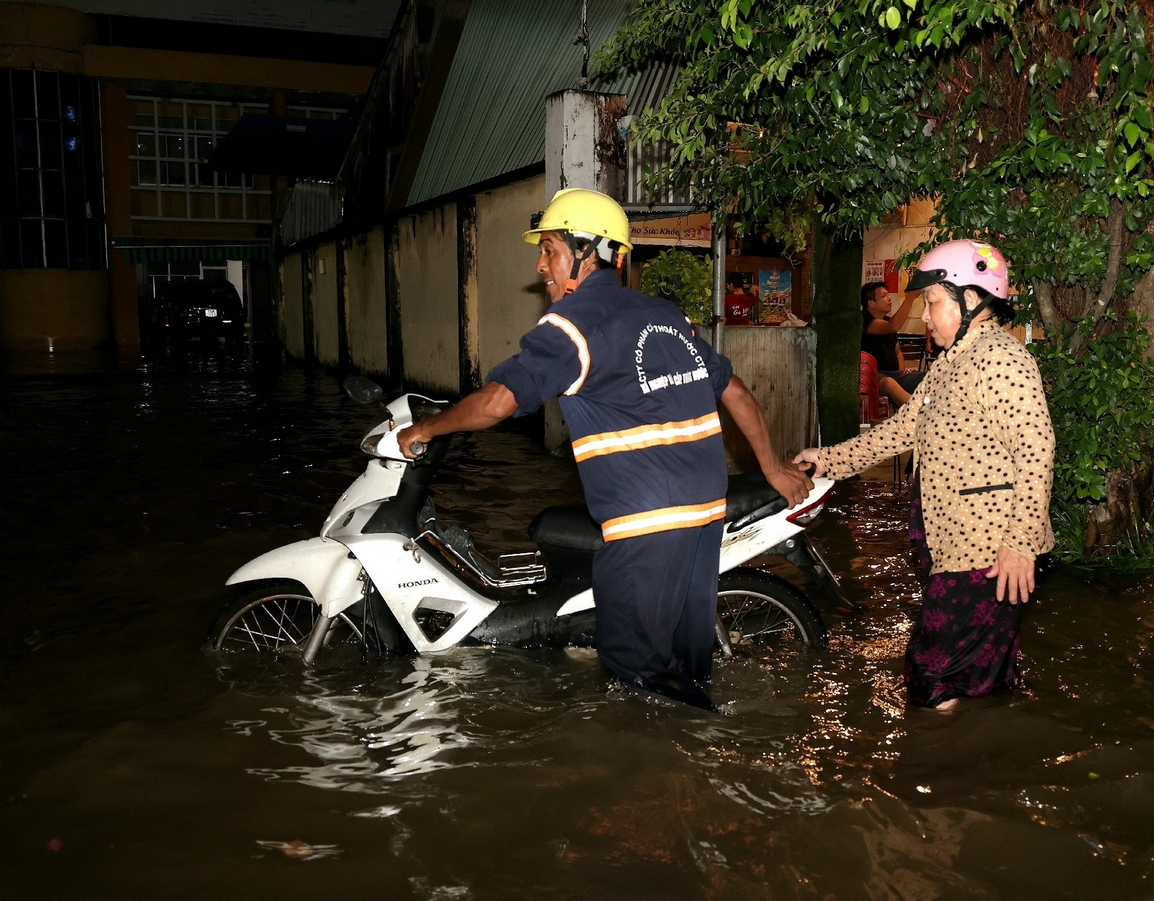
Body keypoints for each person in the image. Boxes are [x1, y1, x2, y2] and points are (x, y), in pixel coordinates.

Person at [395, 188, 813, 710]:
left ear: (586, 251)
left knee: (633, 668)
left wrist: (427, 430)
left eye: (549, 249)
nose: (540, 263)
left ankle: (675, 763)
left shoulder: (571, 326)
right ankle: (701, 766)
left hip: (648, 521)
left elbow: (497, 404)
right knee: (684, 662)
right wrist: (770, 467)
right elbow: (737, 393)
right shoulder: (666, 316)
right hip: (705, 510)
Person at [797, 240, 1055, 709]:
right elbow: (902, 428)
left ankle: (937, 769)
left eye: (934, 303)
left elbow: (1037, 451)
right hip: (952, 539)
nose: (927, 317)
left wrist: (1020, 543)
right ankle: (995, 759)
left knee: (929, 671)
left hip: (988, 550)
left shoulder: (1002, 360)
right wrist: (829, 459)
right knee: (983, 671)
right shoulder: (951, 361)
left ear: (971, 299)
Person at [861, 281, 924, 406]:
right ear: (871, 303)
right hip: (874, 377)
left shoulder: (888, 321)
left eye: (888, 294)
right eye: (884, 296)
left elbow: (897, 351)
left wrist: (902, 370)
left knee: (930, 376)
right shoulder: (864, 320)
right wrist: (910, 297)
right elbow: (893, 326)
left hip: (896, 375)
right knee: (889, 383)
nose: (889, 299)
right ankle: (917, 413)